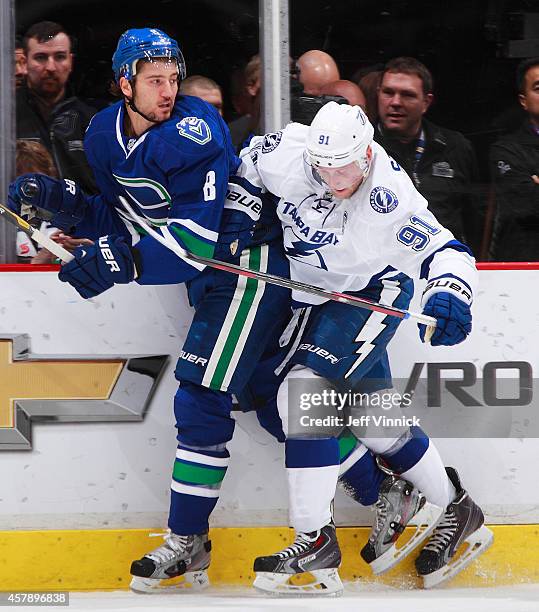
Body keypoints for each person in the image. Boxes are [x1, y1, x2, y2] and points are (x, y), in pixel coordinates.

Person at [238, 102, 493, 594]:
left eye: (347, 169)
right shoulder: (291, 153)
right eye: (325, 168)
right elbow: (247, 164)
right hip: (308, 296)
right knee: (372, 416)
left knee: (303, 393)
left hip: (370, 292)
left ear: (368, 153)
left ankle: (314, 540)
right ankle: (457, 506)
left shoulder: (389, 199)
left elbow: (447, 252)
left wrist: (449, 295)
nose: (336, 180)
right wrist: (237, 217)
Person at [375, 57, 482, 254]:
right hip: (378, 269)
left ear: (426, 102)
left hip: (444, 266)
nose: (395, 102)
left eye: (407, 95)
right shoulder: (363, 148)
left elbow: (474, 218)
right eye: (388, 93)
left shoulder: (456, 147)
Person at [16, 21, 98, 193]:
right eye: (41, 57)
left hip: (83, 217)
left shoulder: (94, 119)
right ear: (24, 62)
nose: (51, 67)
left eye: (60, 57)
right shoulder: (6, 118)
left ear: (70, 62)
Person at [489, 57, 539, 261]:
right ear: (524, 101)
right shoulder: (506, 150)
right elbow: (524, 206)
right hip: (525, 269)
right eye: (538, 87)